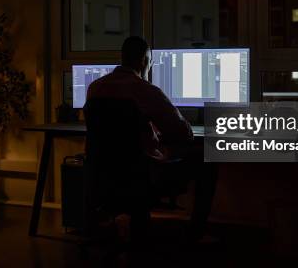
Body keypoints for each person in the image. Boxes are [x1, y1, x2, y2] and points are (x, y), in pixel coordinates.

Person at [87, 36, 217, 242]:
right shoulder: (145, 90)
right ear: (144, 61)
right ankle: (195, 233)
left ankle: (133, 222)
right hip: (143, 177)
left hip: (106, 175)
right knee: (206, 160)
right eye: (150, 61)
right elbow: (184, 132)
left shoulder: (95, 88)